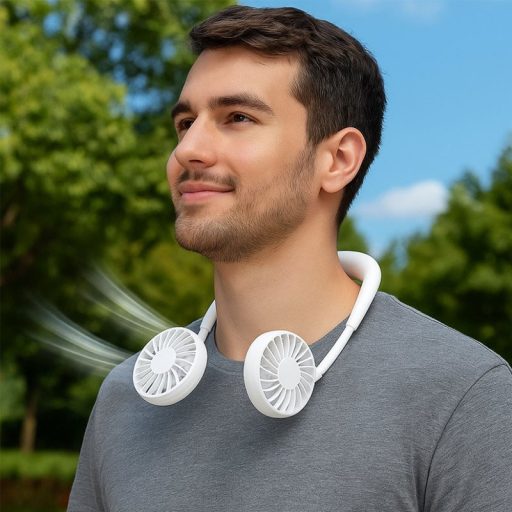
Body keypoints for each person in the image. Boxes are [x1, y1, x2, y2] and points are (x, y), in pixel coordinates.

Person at [68, 6, 512, 512]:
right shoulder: (126, 400)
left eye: (238, 118)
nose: (188, 149)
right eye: (186, 122)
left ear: (338, 159)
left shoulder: (463, 397)